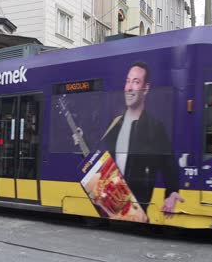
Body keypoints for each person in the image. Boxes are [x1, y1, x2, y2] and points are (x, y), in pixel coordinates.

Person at [75, 62, 183, 219]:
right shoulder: (115, 124)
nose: (130, 87)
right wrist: (82, 141)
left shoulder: (155, 128)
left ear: (145, 88)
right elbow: (98, 160)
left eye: (136, 82)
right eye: (128, 81)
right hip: (111, 209)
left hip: (136, 213)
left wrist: (172, 192)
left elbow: (170, 165)